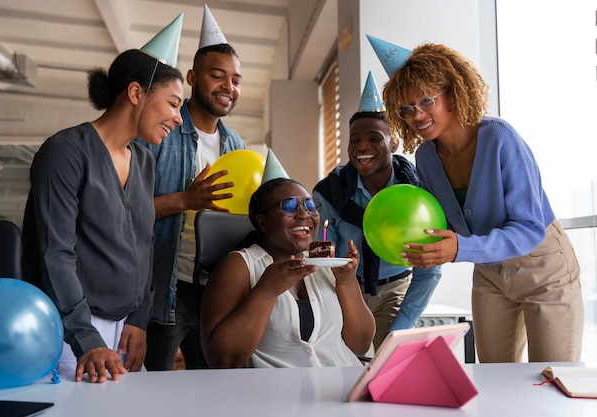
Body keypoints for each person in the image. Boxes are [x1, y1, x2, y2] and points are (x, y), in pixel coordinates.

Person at [382, 42, 583, 363]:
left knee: (552, 377)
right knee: (495, 377)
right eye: (407, 108)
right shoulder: (426, 157)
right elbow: (445, 221)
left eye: (426, 100)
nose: (416, 114)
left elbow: (530, 228)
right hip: (490, 274)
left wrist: (460, 249)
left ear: (453, 93)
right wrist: (424, 245)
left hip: (543, 268)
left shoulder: (500, 138)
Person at [21, 14, 185, 383]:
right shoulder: (65, 151)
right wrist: (86, 338)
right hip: (70, 329)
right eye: (173, 104)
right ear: (136, 93)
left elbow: (144, 244)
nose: (178, 118)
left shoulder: (143, 160)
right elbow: (54, 252)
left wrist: (139, 319)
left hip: (125, 329)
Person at [141, 5, 245, 371]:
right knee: (151, 385)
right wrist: (187, 199)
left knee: (216, 386)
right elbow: (126, 210)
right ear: (191, 77)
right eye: (218, 76)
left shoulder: (237, 145)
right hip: (164, 285)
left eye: (235, 80)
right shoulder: (161, 133)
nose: (228, 87)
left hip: (218, 288)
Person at [313, 71, 441, 351]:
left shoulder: (417, 193)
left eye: (374, 138)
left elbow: (429, 270)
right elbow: (322, 258)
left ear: (393, 143)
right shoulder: (328, 193)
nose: (361, 147)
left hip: (396, 289)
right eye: (354, 139)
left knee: (387, 363)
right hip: (344, 287)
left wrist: (401, 325)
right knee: (344, 363)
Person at [200, 178, 375, 368]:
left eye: (309, 205)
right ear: (262, 222)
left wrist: (347, 283)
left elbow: (360, 345)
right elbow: (222, 359)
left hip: (346, 386)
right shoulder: (241, 266)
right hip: (280, 394)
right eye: (289, 206)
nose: (303, 214)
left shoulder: (326, 263)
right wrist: (266, 291)